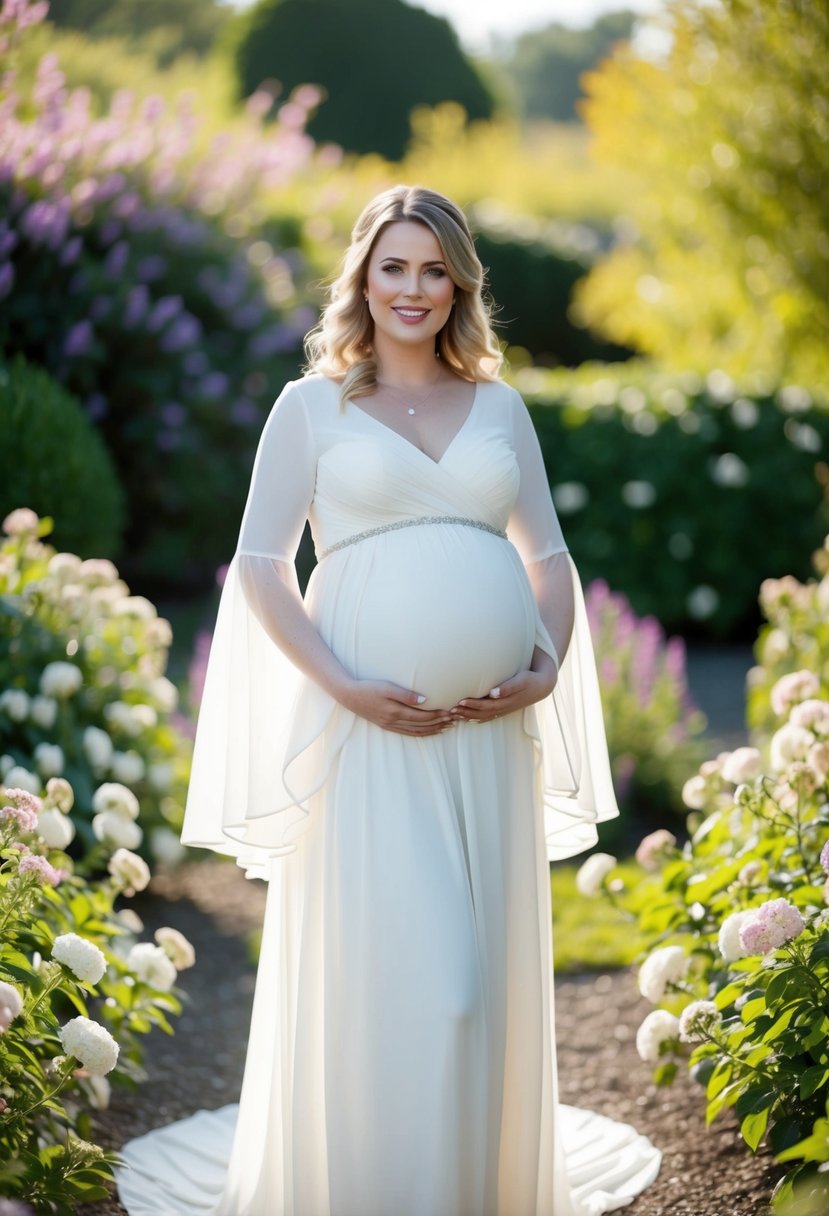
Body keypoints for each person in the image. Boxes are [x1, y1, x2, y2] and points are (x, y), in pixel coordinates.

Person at [116, 185, 661, 1216]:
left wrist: (544, 659)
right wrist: (346, 686)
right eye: (393, 266)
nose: (412, 287)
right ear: (362, 278)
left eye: (432, 268)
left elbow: (546, 553)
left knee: (472, 983)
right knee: (419, 983)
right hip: (364, 728)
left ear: (458, 282)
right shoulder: (310, 407)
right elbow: (263, 564)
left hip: (487, 736)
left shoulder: (498, 407)